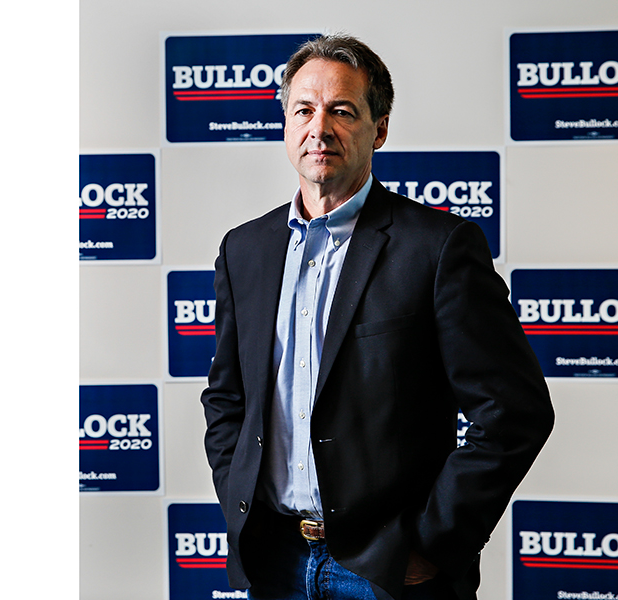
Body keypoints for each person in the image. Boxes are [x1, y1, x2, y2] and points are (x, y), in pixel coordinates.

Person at [201, 33, 554, 600]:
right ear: (286, 125)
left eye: (342, 111)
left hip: (386, 572)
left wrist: (432, 543)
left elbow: (513, 412)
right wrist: (237, 492)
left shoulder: (437, 248)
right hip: (274, 561)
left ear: (379, 129)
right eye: (304, 110)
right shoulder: (244, 250)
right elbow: (227, 398)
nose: (319, 128)